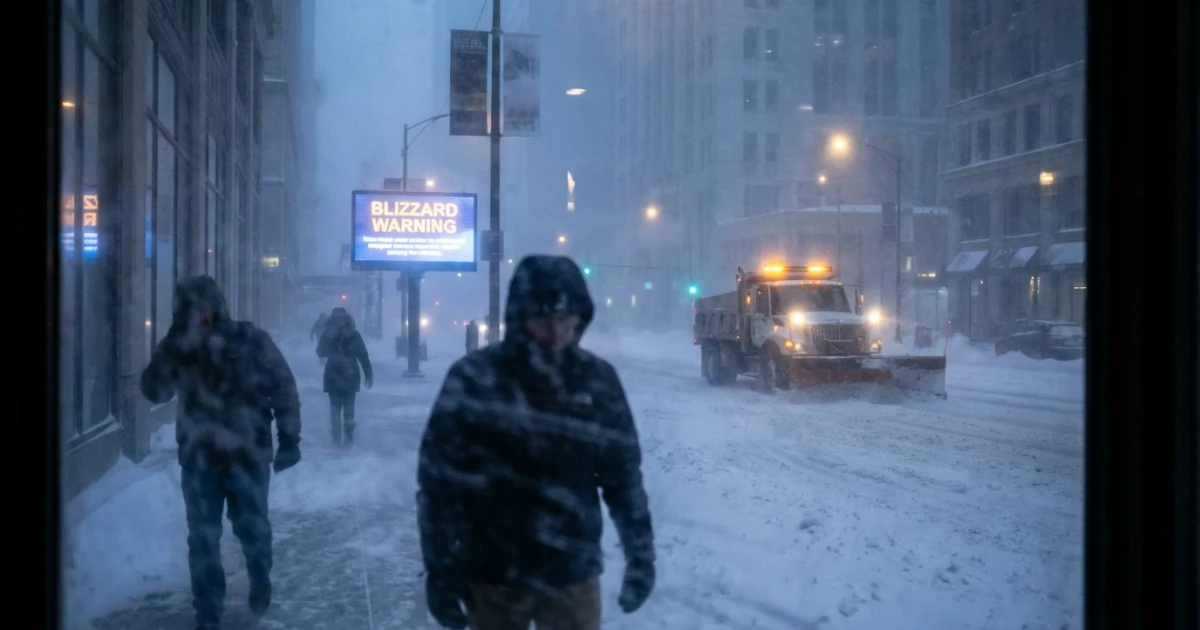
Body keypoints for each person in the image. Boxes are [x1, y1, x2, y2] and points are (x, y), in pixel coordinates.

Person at [417, 255, 655, 630]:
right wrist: (440, 568)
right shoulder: (476, 379)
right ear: (520, 317)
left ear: (580, 317)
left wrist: (640, 555)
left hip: (571, 575)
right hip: (494, 574)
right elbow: (440, 483)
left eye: (565, 318)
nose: (555, 331)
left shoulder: (597, 380)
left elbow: (622, 477)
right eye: (542, 319)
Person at [140, 275, 301, 630]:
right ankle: (208, 612)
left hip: (248, 456)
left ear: (216, 307)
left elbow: (283, 387)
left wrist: (290, 439)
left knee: (253, 530)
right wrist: (172, 345)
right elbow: (153, 391)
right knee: (202, 538)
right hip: (200, 460)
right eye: (188, 310)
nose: (197, 316)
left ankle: (260, 579)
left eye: (201, 308)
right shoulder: (181, 346)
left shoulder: (250, 340)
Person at [316, 307, 373, 445]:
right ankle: (348, 437)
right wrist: (368, 373)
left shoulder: (328, 334)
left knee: (335, 408)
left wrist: (328, 338)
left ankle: (336, 438)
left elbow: (320, 353)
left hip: (332, 375)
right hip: (350, 375)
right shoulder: (354, 335)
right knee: (349, 407)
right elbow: (363, 356)